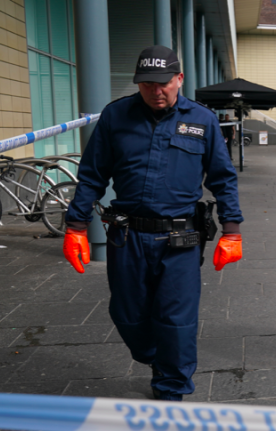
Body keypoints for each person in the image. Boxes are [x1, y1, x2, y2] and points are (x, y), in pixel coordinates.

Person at [62, 45, 244, 401]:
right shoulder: (116, 117)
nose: (156, 91)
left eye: (163, 83)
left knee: (176, 321)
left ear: (179, 79)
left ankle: (171, 390)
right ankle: (155, 357)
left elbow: (223, 178)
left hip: (182, 238)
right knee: (127, 313)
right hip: (127, 237)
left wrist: (232, 230)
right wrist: (76, 226)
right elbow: (92, 175)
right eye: (147, 84)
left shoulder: (202, 120)